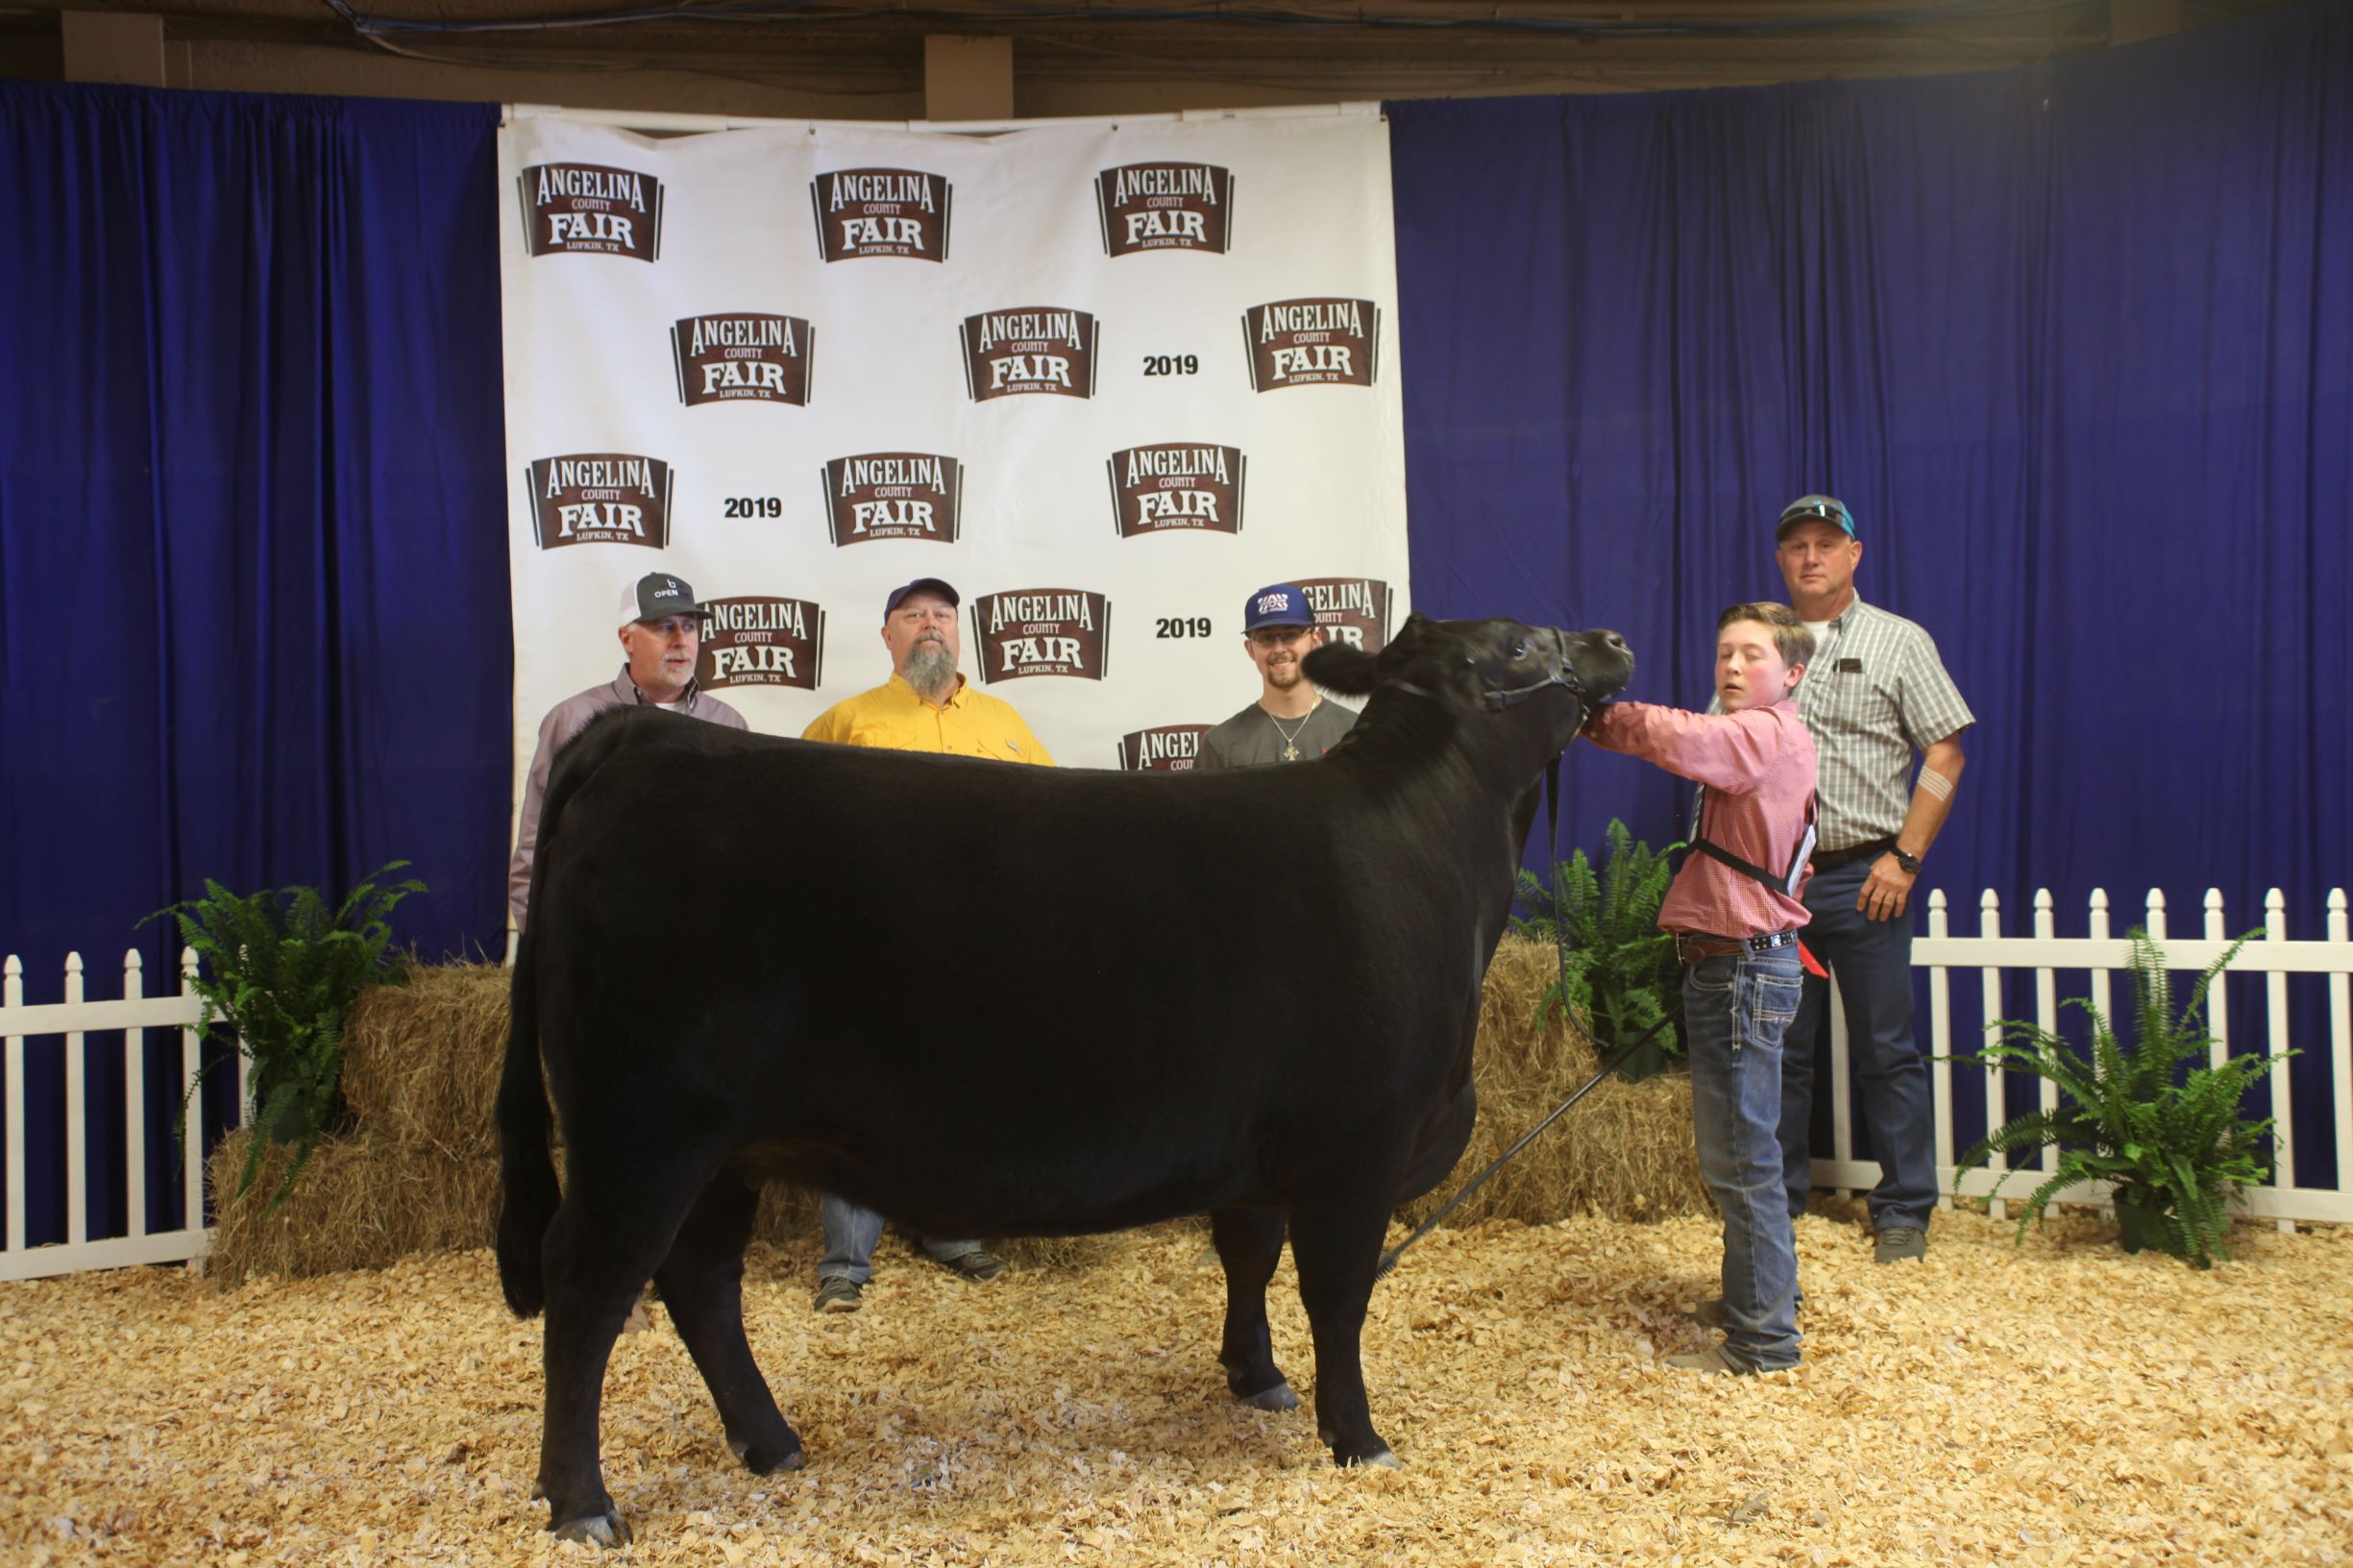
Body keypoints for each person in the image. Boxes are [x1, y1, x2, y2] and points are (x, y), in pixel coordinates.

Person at [797, 576, 1052, 1311]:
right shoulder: (846, 722)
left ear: (959, 633)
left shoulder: (1005, 721)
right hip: (872, 943)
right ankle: (845, 1263)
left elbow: (1055, 828)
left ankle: (954, 1231)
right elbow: (797, 832)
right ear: (886, 636)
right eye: (912, 616)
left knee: (966, 1086)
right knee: (856, 1091)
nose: (929, 626)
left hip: (981, 945)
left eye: (942, 615)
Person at [1584, 602, 1818, 1375]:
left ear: (1791, 672)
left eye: (1750, 655)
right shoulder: (1777, 738)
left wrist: (1597, 717)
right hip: (1741, 960)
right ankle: (1754, 1299)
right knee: (1743, 1154)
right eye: (1724, 653)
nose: (1730, 667)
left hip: (1741, 966)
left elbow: (1686, 737)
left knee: (1742, 1159)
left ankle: (1763, 1342)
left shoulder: (1758, 733)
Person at [1771, 495, 1973, 1265]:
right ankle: (1776, 1203)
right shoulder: (1759, 643)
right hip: (1777, 881)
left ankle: (1903, 1211)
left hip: (1866, 876)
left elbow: (1945, 751)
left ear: (1854, 555)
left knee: (1886, 1049)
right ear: (1781, 559)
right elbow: (1725, 749)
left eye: (1827, 543)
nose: (1811, 557)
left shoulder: (1898, 642)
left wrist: (1905, 858)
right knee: (1781, 1049)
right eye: (1796, 546)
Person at [508, 573, 747, 930]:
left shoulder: (728, 724)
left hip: (699, 937)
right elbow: (535, 845)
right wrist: (543, 945)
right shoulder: (575, 721)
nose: (682, 641)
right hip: (599, 934)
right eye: (664, 627)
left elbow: (742, 844)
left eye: (690, 626)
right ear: (627, 639)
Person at [1196, 584, 1357, 770]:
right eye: (1266, 638)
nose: (1279, 649)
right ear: (1250, 649)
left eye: (1291, 635)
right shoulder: (1220, 744)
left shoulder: (1354, 734)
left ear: (1314, 641)